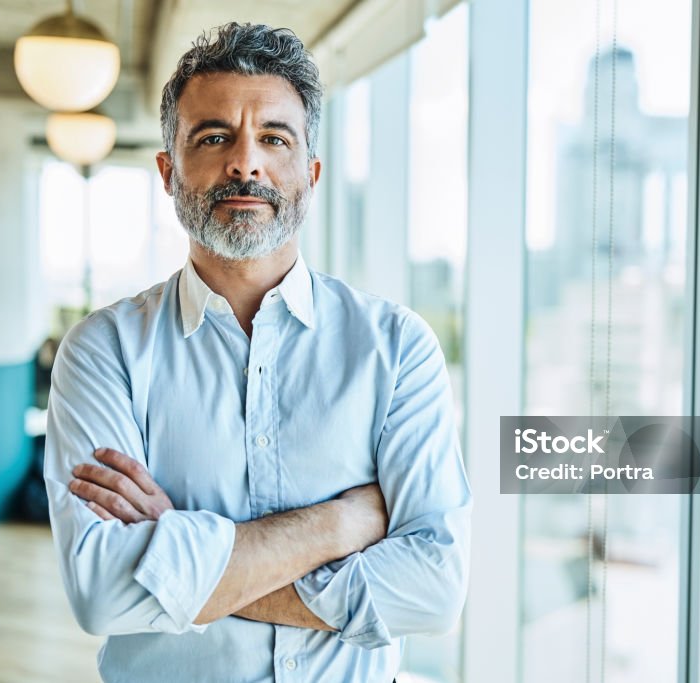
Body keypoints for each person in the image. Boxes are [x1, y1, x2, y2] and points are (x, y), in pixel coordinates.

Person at [44, 21, 472, 683]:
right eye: (213, 136)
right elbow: (102, 593)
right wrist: (344, 521)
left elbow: (435, 587)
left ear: (311, 171)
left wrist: (182, 558)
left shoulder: (397, 348)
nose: (246, 162)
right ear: (167, 170)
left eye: (274, 138)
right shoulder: (104, 352)